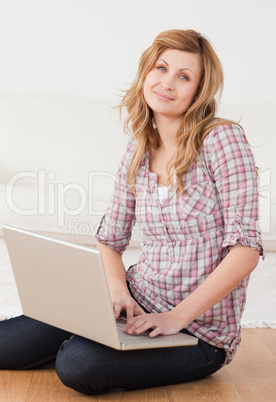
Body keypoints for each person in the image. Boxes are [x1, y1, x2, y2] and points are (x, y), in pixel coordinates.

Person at [0, 29, 264, 395]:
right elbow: (109, 241)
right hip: (136, 303)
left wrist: (177, 317)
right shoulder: (137, 152)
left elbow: (246, 250)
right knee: (7, 344)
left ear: (199, 91)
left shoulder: (222, 140)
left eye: (184, 76)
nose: (167, 83)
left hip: (198, 333)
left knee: (76, 365)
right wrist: (118, 291)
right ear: (146, 73)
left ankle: (90, 340)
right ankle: (94, 331)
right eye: (161, 68)